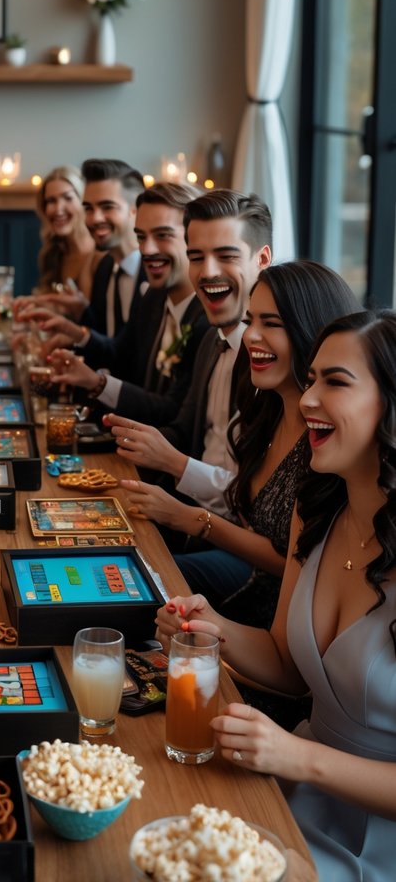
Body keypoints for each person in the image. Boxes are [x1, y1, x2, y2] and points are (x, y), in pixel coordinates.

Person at [156, 310, 396, 882]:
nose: (308, 398)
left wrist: (296, 756)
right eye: (311, 379)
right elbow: (290, 669)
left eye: (335, 382)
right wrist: (215, 629)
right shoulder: (315, 512)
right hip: (296, 793)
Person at [121, 261, 358, 626]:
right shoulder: (267, 409)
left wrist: (193, 519)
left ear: (313, 332)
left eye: (272, 324)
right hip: (245, 580)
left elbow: (301, 563)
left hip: (277, 613)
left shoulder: (328, 440)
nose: (250, 336)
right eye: (252, 321)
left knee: (137, 591)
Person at [106, 189, 272, 518]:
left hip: (238, 539)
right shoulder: (213, 341)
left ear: (262, 260)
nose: (207, 272)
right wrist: (129, 441)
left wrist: (172, 462)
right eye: (196, 257)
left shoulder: (275, 360)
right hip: (191, 512)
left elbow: (258, 500)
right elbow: (183, 429)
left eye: (226, 256)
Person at [47, 181, 210, 425]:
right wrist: (76, 335)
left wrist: (97, 383)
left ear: (195, 239)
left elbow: (174, 412)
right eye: (141, 237)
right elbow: (120, 355)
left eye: (163, 235)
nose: (147, 249)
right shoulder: (154, 298)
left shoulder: (208, 319)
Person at [19, 157, 146, 352]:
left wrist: (75, 333)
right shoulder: (107, 269)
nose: (95, 218)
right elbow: (108, 348)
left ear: (135, 210)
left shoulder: (151, 273)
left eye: (107, 207)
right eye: (89, 208)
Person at [34, 165, 100, 298]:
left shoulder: (100, 255)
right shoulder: (52, 254)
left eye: (68, 198)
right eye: (51, 201)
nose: (58, 209)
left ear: (84, 202)